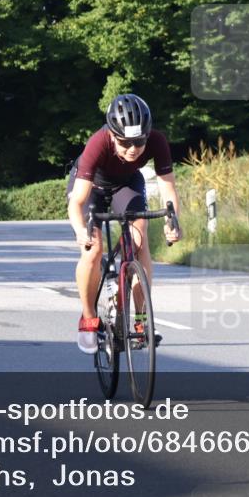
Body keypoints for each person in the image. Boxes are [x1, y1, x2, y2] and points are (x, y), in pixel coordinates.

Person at [67, 94, 181, 354]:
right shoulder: (98, 143)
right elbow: (77, 202)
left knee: (139, 240)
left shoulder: (157, 141)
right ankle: (88, 318)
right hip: (92, 187)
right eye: (125, 142)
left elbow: (168, 190)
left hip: (126, 183)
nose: (133, 149)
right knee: (93, 250)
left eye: (139, 142)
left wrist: (172, 221)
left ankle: (141, 319)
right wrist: (80, 231)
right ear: (112, 134)